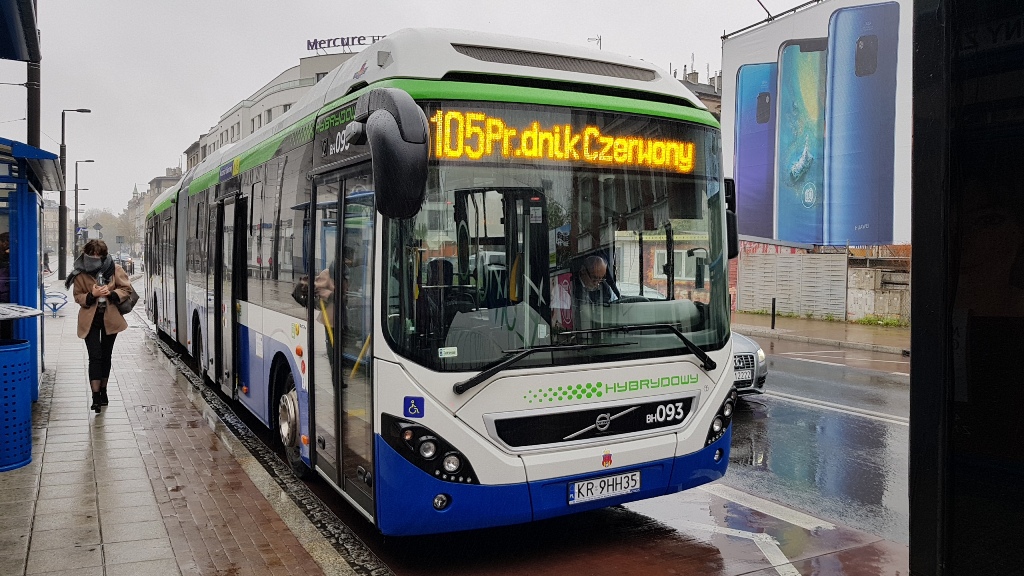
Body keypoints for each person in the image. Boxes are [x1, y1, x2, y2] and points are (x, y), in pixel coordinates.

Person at [66, 239, 132, 412]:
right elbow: (78, 296)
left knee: (106, 355)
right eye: (91, 255)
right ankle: (95, 396)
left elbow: (126, 289)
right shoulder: (80, 272)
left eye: (98, 255)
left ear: (103, 255)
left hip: (110, 318)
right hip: (90, 319)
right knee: (95, 356)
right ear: (86, 254)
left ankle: (103, 390)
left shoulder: (114, 268)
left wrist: (111, 293)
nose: (95, 258)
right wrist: (92, 295)